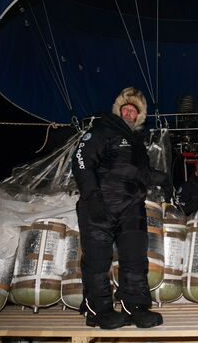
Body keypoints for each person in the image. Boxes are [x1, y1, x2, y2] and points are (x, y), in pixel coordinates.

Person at [71, 87, 169, 329]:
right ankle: (99, 310)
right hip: (100, 204)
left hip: (131, 207)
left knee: (135, 258)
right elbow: (81, 161)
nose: (129, 112)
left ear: (139, 116)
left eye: (134, 111)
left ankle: (135, 306)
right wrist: (92, 197)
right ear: (118, 110)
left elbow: (140, 173)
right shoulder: (103, 129)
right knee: (97, 260)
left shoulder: (137, 144)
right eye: (126, 108)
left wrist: (163, 178)